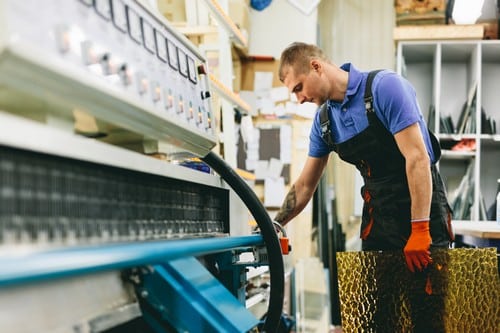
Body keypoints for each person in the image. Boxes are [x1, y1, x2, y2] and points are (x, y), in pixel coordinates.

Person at [274, 42, 454, 272]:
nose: (299, 99)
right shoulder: (324, 123)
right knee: (377, 305)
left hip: (422, 211)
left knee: (428, 302)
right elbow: (304, 186)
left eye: (299, 88)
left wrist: (419, 228)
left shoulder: (385, 88)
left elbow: (417, 158)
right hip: (379, 217)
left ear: (316, 66)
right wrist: (275, 225)